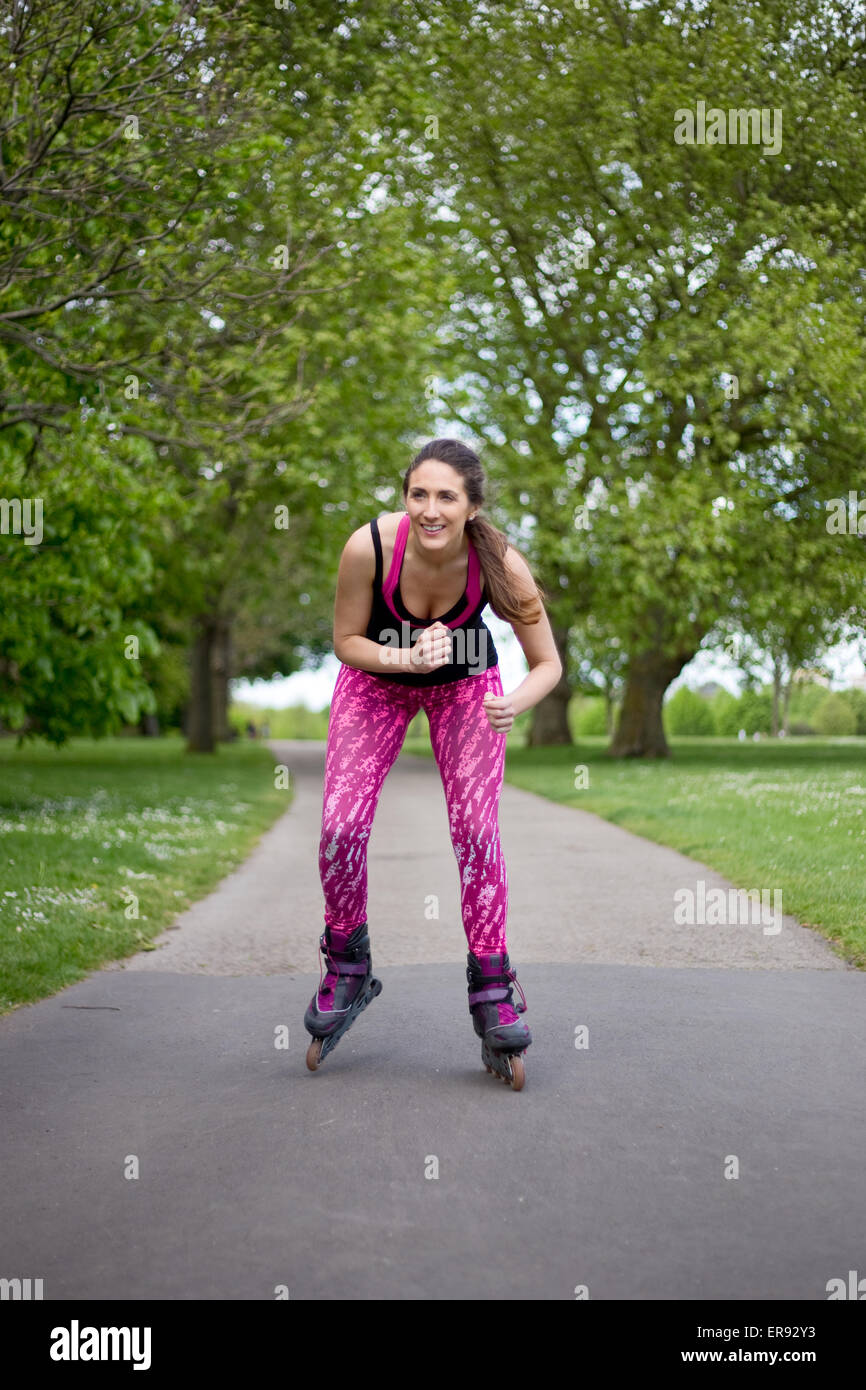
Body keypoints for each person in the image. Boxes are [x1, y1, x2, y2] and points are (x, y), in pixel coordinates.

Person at [303, 438, 563, 1088]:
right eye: (418, 493)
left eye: (446, 495)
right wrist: (405, 659)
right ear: (405, 497)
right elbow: (345, 642)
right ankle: (347, 964)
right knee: (340, 826)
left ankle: (493, 986)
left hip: (466, 685)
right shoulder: (369, 548)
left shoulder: (499, 560)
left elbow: (548, 663)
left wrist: (515, 706)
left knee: (476, 834)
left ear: (472, 505)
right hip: (376, 681)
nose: (430, 508)